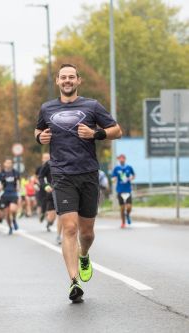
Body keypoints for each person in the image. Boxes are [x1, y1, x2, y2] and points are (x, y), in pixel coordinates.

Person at [35, 64, 122, 303]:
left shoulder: (92, 106)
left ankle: (84, 255)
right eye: (63, 77)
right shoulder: (47, 108)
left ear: (78, 81)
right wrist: (39, 137)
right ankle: (73, 282)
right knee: (70, 228)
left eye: (71, 77)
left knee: (87, 232)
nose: (67, 81)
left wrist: (96, 134)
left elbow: (117, 130)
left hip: (88, 174)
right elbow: (38, 131)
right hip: (61, 175)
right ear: (57, 81)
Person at [111, 154, 135, 228]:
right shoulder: (116, 168)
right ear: (119, 160)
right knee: (122, 208)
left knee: (129, 207)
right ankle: (123, 223)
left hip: (128, 190)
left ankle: (127, 215)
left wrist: (131, 178)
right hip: (120, 190)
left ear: (125, 159)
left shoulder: (129, 167)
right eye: (120, 159)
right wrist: (114, 179)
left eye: (123, 159)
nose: (121, 160)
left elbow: (133, 175)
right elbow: (113, 177)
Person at [38, 155, 59, 239]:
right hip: (50, 191)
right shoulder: (48, 164)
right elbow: (40, 177)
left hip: (65, 191)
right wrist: (45, 185)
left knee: (62, 216)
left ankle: (59, 236)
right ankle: (47, 218)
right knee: (52, 218)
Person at [0, 159, 20, 235]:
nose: (9, 164)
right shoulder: (1, 173)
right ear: (4, 164)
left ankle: (14, 219)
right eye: (7, 162)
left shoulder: (15, 172)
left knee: (13, 209)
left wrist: (18, 187)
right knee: (7, 214)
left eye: (10, 163)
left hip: (13, 193)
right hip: (4, 195)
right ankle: (10, 227)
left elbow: (18, 182)